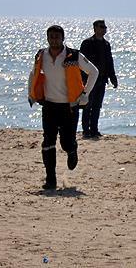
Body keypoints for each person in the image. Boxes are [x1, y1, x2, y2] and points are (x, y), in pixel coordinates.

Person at [28, 25, 99, 190]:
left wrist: (85, 94)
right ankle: (50, 179)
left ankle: (72, 150)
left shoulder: (73, 55)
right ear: (47, 38)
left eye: (57, 37)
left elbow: (94, 71)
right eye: (51, 37)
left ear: (63, 38)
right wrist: (31, 93)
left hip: (69, 106)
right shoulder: (41, 55)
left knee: (66, 142)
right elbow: (33, 73)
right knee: (48, 142)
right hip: (49, 105)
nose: (54, 40)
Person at [79, 20, 118, 139]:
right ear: (95, 28)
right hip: (89, 80)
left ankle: (94, 129)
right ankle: (86, 131)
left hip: (102, 79)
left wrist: (113, 78)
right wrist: (82, 80)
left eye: (105, 27)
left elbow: (109, 62)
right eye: (101, 27)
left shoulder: (106, 45)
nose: (104, 29)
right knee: (87, 105)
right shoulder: (87, 43)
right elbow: (81, 63)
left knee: (97, 106)